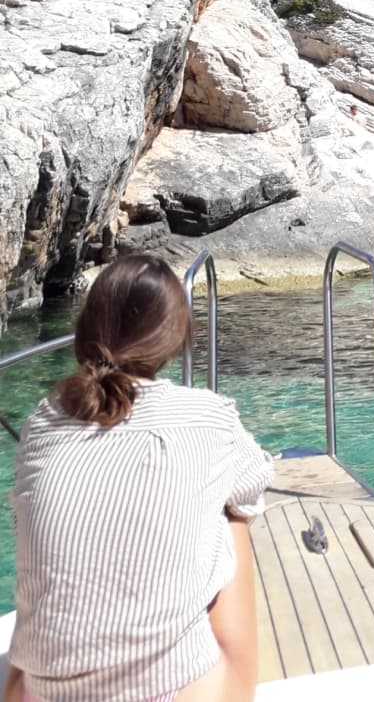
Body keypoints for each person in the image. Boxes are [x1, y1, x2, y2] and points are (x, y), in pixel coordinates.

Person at [4, 255, 273, 702]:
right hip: (174, 690)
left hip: (35, 693)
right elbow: (255, 481)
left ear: (87, 327)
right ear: (174, 336)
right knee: (232, 512)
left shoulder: (41, 419)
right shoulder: (208, 417)